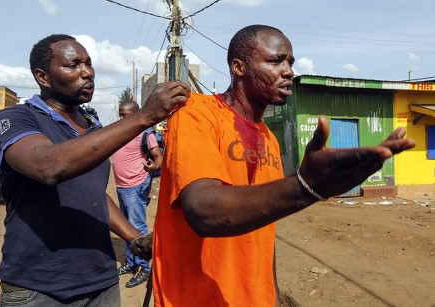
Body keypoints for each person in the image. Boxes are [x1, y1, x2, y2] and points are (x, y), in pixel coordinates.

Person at [150, 25, 415, 306]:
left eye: (290, 62)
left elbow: (263, 231)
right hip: (194, 298)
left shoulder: (269, 140)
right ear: (239, 67)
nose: (288, 71)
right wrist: (305, 187)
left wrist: (272, 295)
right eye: (275, 61)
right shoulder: (195, 114)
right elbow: (204, 212)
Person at [0, 34, 190, 306]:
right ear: (43, 77)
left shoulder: (94, 127)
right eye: (73, 65)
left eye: (89, 63)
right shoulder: (17, 119)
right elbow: (48, 166)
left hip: (101, 285)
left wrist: (135, 239)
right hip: (39, 289)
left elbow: (92, 195)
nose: (88, 72)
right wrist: (144, 117)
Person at [112, 100, 162, 288]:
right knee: (125, 225)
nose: (123, 118)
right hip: (122, 186)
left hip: (135, 185)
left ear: (136, 113)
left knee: (136, 225)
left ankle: (143, 267)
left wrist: (153, 166)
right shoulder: (120, 132)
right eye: (120, 114)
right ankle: (131, 263)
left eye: (126, 114)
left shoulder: (144, 133)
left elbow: (158, 157)